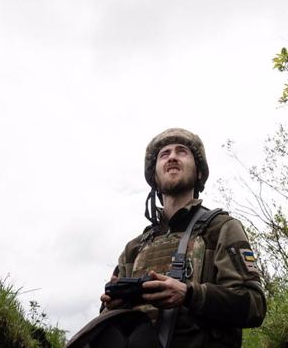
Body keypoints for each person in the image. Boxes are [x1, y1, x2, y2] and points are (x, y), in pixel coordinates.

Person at [98, 128, 266, 348]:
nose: (173, 157)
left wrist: (188, 294)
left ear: (198, 172)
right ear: (155, 177)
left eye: (182, 151)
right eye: (164, 154)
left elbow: (254, 305)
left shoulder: (221, 228)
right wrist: (113, 306)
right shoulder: (134, 248)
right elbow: (107, 321)